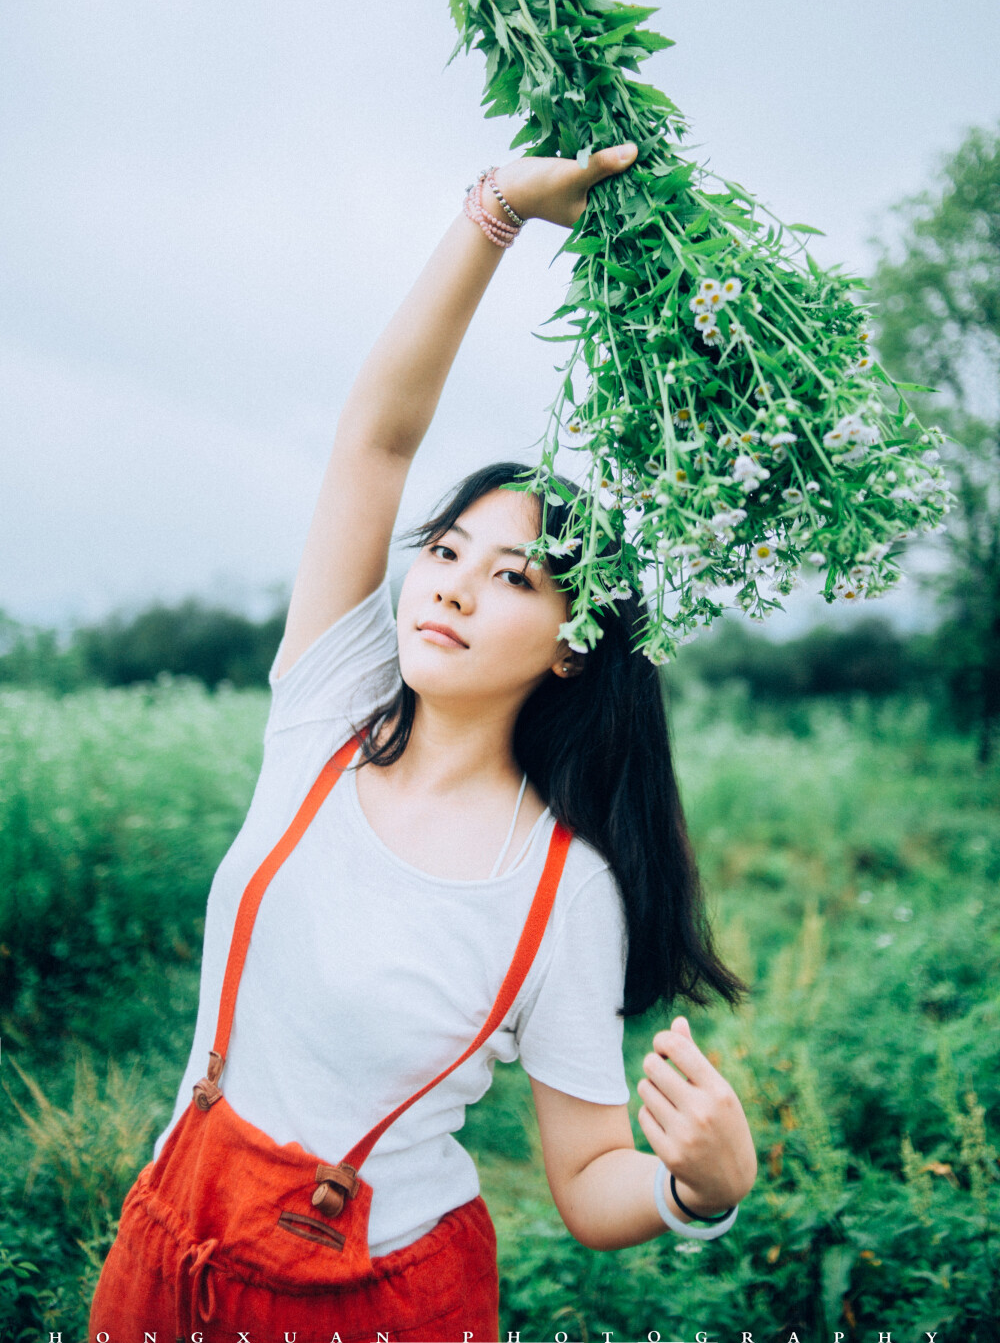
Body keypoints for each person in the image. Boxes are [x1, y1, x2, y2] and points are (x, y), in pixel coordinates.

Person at [88, 145, 758, 1341]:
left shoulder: (565, 890)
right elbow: (376, 445)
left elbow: (590, 1178)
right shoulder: (327, 713)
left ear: (570, 644)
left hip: (381, 1300)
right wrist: (494, 214)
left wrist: (702, 1188)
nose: (449, 587)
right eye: (443, 552)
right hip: (167, 1251)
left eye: (510, 577)